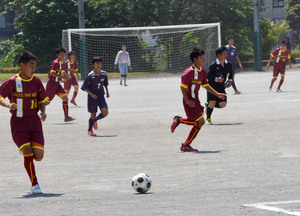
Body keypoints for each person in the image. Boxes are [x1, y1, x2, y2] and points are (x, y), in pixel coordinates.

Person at [0, 51, 49, 194]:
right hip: (18, 123)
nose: (33, 69)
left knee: (38, 156)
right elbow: (0, 96)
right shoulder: (12, 81)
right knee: (28, 153)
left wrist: (43, 111)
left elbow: (41, 99)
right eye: (31, 65)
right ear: (22, 65)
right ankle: (35, 184)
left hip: (34, 122)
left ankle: (26, 151)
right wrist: (9, 105)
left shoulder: (36, 81)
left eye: (35, 66)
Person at [170, 48, 226, 152]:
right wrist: (187, 100)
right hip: (189, 101)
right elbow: (182, 87)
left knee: (199, 123)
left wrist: (217, 94)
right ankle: (178, 121)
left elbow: (206, 86)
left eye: (203, 57)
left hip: (196, 100)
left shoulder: (203, 72)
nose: (203, 59)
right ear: (195, 59)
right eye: (201, 57)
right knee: (200, 121)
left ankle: (186, 144)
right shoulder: (190, 72)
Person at [81, 56, 110, 136]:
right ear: (93, 65)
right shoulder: (90, 75)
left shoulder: (104, 74)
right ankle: (90, 130)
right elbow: (84, 87)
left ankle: (95, 120)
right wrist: (91, 94)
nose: (99, 65)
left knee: (105, 112)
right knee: (93, 115)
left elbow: (105, 84)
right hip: (92, 98)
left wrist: (107, 92)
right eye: (97, 63)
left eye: (100, 63)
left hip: (101, 96)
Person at [206, 46, 234, 125]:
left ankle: (208, 106)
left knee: (223, 104)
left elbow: (231, 74)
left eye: (226, 53)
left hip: (221, 87)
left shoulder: (228, 64)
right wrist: (216, 79)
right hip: (212, 87)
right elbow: (208, 77)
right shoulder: (213, 65)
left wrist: (229, 81)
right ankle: (208, 118)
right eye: (224, 53)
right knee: (212, 102)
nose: (226, 55)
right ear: (219, 55)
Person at [46, 47, 75, 122]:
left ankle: (66, 117)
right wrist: (62, 77)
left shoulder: (62, 63)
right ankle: (31, 112)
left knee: (65, 98)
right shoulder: (56, 62)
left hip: (57, 85)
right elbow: (52, 72)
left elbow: (60, 73)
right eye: (61, 54)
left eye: (64, 54)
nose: (63, 56)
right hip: (51, 85)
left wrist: (63, 79)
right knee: (46, 102)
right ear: (57, 55)